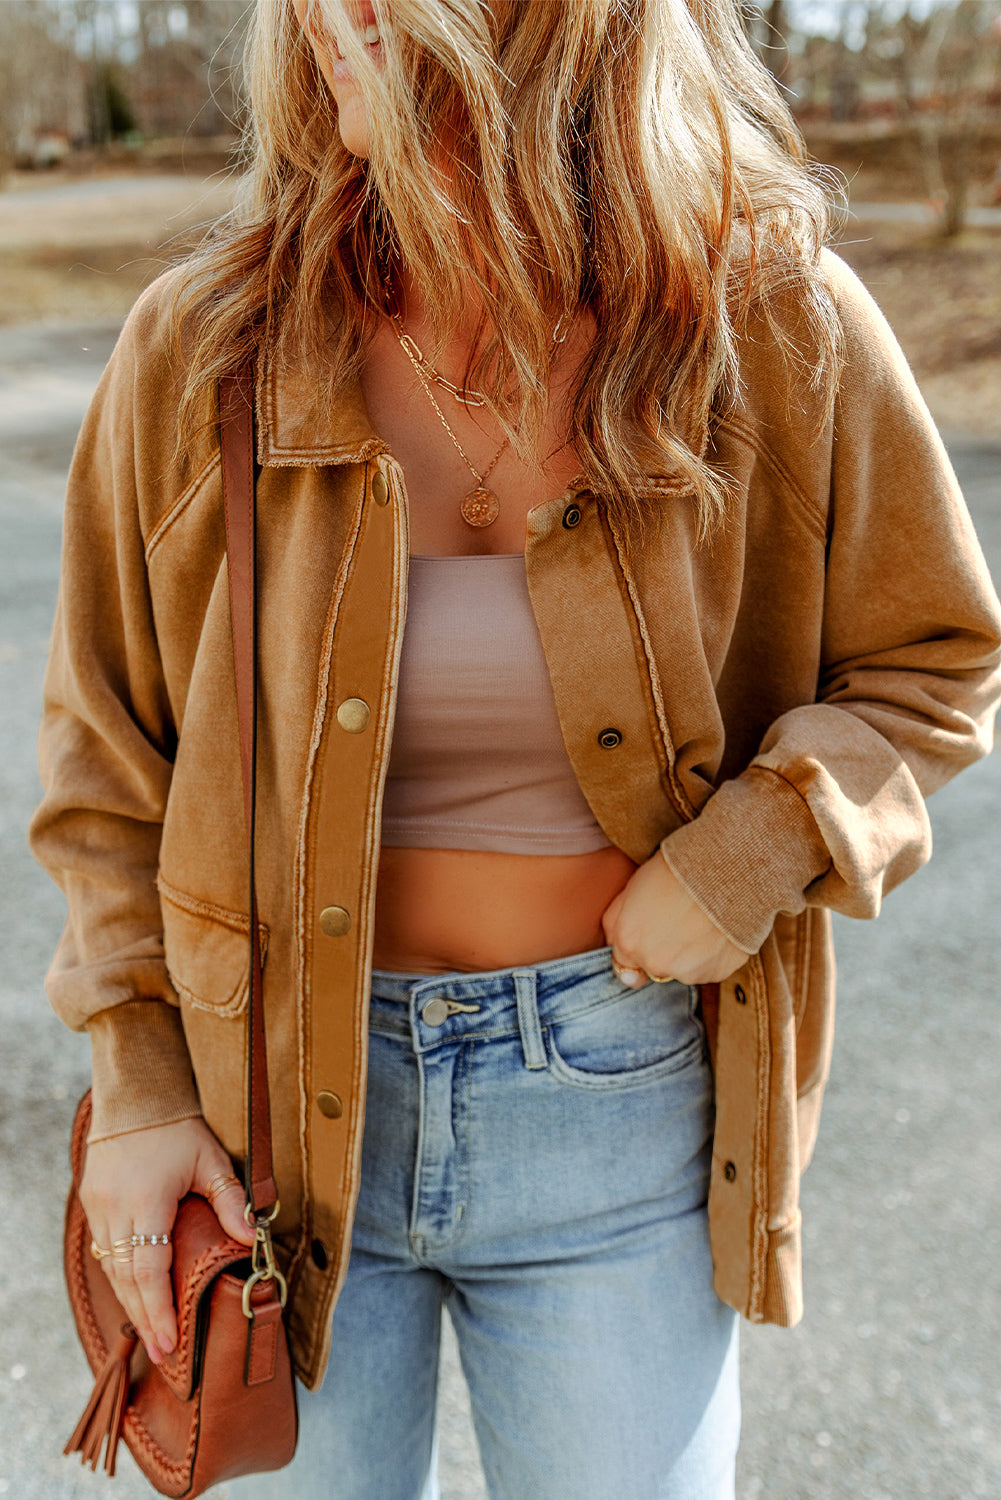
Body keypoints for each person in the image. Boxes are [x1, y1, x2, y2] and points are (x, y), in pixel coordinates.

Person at [28, 2, 1001, 1497]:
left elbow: (937, 657)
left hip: (618, 1114)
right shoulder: (208, 341)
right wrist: (142, 1088)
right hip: (270, 1126)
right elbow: (107, 764)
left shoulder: (765, 319)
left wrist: (747, 854)